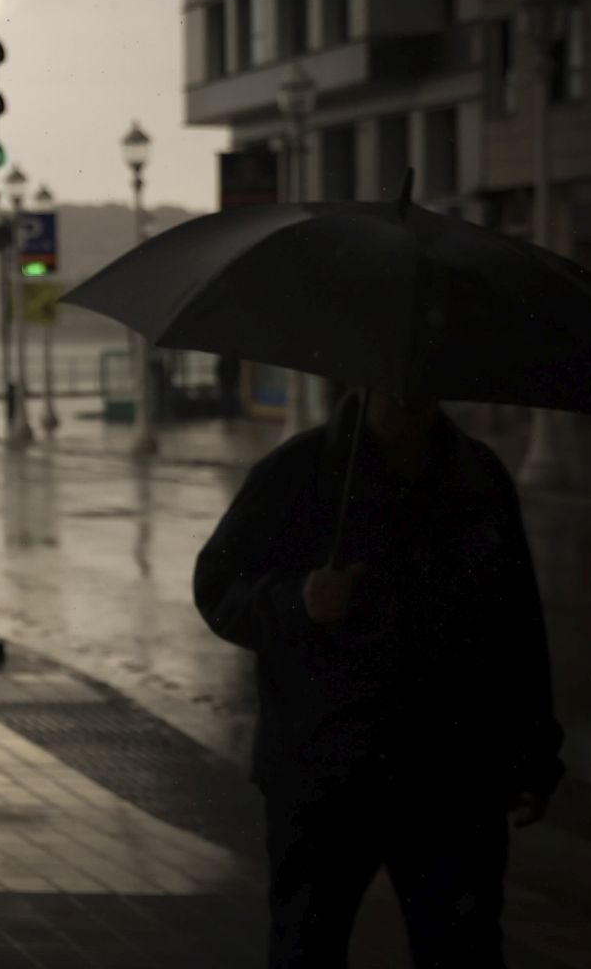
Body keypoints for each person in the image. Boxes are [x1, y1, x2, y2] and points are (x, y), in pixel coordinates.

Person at [194, 386, 564, 968]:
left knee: (462, 951)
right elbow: (218, 587)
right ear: (361, 380)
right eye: (394, 384)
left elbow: (516, 623)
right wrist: (298, 601)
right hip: (327, 771)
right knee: (308, 947)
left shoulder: (477, 476)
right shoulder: (298, 471)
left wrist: (533, 753)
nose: (408, 397)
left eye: (422, 382)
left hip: (454, 775)